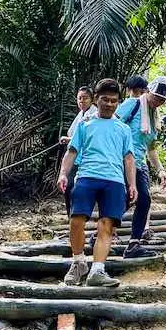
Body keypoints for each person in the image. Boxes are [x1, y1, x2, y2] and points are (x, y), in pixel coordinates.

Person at [58, 79, 137, 288]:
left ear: (118, 102)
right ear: (97, 99)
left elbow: (129, 157)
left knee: (106, 225)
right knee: (76, 219)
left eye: (113, 101)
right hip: (86, 177)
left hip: (114, 180)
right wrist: (63, 174)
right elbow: (72, 151)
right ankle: (78, 263)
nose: (109, 104)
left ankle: (98, 270)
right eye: (105, 100)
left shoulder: (123, 128)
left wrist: (132, 184)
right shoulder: (85, 125)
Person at [117, 76, 166, 258]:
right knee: (138, 199)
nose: (158, 101)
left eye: (162, 100)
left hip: (139, 163)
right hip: (121, 160)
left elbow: (151, 148)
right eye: (156, 97)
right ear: (148, 91)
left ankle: (132, 243)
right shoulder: (132, 105)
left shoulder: (153, 116)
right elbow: (112, 125)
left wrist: (161, 170)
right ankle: (108, 233)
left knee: (140, 200)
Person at [59, 86, 97, 220]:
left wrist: (68, 139)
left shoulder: (94, 114)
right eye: (79, 98)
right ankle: (72, 217)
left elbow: (88, 136)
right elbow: (74, 134)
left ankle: (81, 216)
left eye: (85, 98)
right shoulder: (81, 114)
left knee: (78, 188)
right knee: (68, 187)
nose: (82, 101)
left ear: (92, 100)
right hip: (75, 157)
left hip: (88, 159)